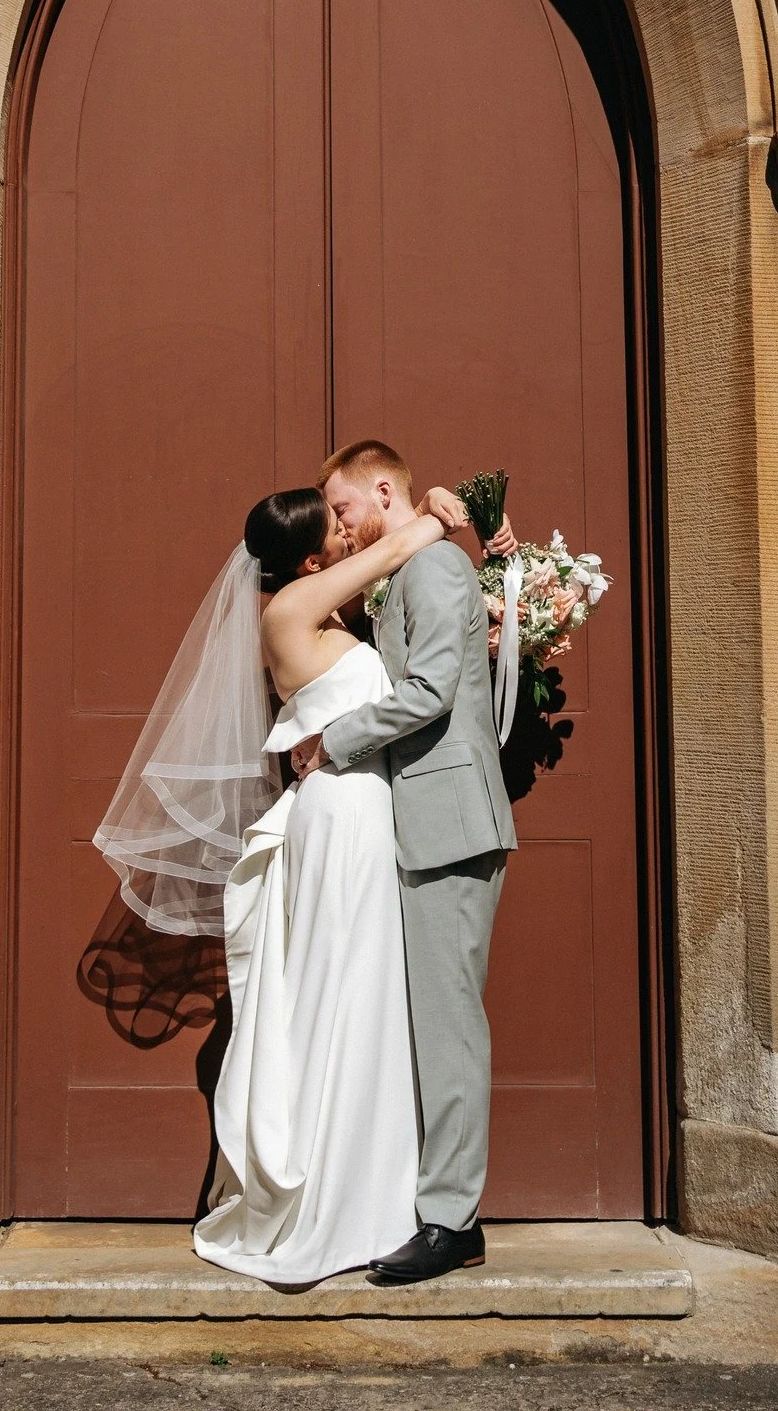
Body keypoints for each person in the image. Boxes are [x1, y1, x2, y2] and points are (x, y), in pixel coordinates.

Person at [293, 441, 517, 1284]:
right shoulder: (404, 571)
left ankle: (453, 1222)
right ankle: (429, 1205)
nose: (340, 527)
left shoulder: (434, 571)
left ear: (384, 491)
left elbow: (429, 691)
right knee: (427, 1024)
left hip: (451, 826)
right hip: (420, 827)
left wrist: (334, 741)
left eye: (343, 509)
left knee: (449, 1026)